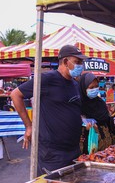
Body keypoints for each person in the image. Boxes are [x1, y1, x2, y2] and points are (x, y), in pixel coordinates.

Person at [10, 44, 86, 175]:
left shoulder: (74, 84)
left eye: (81, 62)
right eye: (77, 62)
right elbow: (15, 94)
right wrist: (28, 126)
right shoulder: (47, 79)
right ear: (66, 62)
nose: (80, 66)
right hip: (53, 152)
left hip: (73, 148)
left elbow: (73, 109)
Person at [79, 72, 115, 154]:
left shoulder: (100, 103)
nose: (94, 89)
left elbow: (110, 125)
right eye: (91, 87)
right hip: (89, 150)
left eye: (96, 86)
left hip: (107, 148)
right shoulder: (78, 106)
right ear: (83, 88)